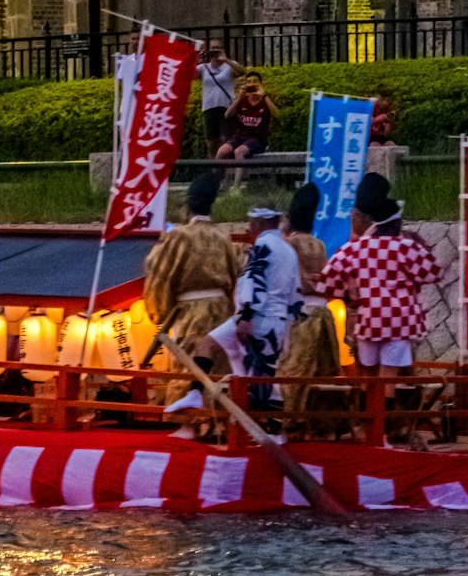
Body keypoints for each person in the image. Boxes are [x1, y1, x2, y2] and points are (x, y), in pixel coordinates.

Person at [316, 172, 441, 445]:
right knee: (389, 381)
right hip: (400, 321)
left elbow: (328, 279)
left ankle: (366, 428)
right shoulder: (408, 246)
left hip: (367, 320)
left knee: (367, 378)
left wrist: (350, 297)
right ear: (395, 221)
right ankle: (384, 432)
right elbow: (433, 273)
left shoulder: (357, 248)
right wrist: (408, 283)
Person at [142, 169, 240, 411]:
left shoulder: (178, 236)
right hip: (222, 309)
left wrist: (160, 310)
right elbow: (234, 273)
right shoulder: (223, 236)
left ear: (188, 206)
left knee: (189, 362)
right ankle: (218, 421)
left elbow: (159, 271)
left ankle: (191, 421)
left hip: (191, 311)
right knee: (219, 364)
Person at [207, 203, 303, 406]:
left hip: (258, 317)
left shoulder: (263, 246)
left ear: (260, 223)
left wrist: (247, 315)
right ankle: (266, 429)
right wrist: (290, 320)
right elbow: (296, 289)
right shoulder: (288, 250)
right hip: (277, 319)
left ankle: (272, 431)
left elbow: (254, 280)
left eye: (251, 223)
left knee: (261, 379)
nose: (248, 229)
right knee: (261, 375)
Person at [276, 181, 341, 435]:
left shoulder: (289, 244)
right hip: (322, 313)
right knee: (324, 372)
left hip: (299, 314)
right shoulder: (319, 244)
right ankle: (325, 423)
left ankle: (289, 420)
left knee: (293, 371)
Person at [215, 71, 276, 162]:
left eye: (255, 81)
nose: (252, 84)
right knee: (222, 151)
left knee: (239, 152)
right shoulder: (242, 100)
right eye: (249, 82)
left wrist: (264, 95)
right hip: (240, 136)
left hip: (257, 139)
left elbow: (276, 114)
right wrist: (239, 98)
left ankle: (240, 177)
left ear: (260, 84)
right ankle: (215, 175)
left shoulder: (266, 100)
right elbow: (227, 115)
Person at [197, 39, 240, 154]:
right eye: (212, 48)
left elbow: (242, 72)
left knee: (225, 140)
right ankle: (213, 170)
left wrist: (226, 59)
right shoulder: (203, 68)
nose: (215, 50)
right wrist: (198, 60)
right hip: (209, 108)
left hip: (226, 107)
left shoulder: (229, 66)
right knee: (211, 142)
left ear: (223, 50)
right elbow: (189, 75)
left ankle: (225, 170)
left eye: (218, 48)